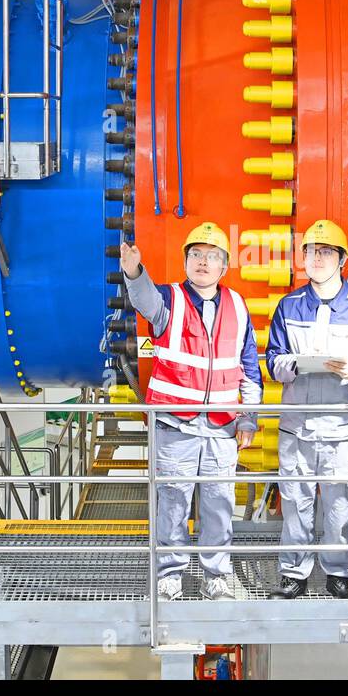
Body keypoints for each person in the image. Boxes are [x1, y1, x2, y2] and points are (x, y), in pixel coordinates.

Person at [120, 222, 261, 601]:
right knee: (174, 503)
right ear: (185, 261)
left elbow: (249, 365)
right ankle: (170, 574)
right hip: (176, 426)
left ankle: (216, 575)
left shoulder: (237, 305)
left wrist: (249, 417)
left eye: (212, 256)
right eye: (196, 254)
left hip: (221, 427)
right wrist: (134, 271)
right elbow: (143, 300)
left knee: (218, 504)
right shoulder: (168, 300)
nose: (203, 262)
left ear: (224, 266)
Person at [265, 219, 348, 598]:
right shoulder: (288, 306)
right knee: (296, 505)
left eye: (325, 252)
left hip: (342, 430)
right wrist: (287, 367)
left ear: (342, 260)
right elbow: (273, 358)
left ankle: (339, 571)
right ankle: (294, 573)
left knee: (339, 507)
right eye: (310, 251)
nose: (316, 258)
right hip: (297, 428)